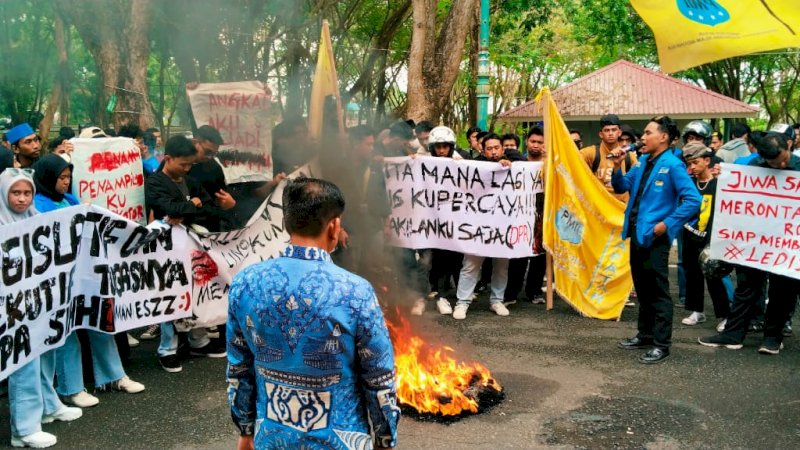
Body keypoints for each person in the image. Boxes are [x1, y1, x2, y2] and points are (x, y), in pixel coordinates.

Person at [227, 177, 399, 450]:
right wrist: (385, 438)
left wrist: (246, 429)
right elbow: (379, 377)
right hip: (341, 441)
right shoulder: (354, 291)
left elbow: (239, 367)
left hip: (270, 437)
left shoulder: (245, 282)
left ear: (286, 223)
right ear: (334, 226)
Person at [31, 154, 146, 407]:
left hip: (84, 275)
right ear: (48, 178)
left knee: (98, 322)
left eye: (68, 177)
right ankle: (71, 387)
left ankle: (114, 375)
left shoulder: (69, 199)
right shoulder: (37, 204)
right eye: (60, 178)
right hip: (60, 280)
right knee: (67, 331)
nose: (65, 182)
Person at [1, 168, 82, 448]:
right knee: (23, 362)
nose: (22, 199)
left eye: (27, 193)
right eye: (15, 193)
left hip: (40, 301)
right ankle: (23, 428)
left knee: (47, 350)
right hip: (12, 309)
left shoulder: (36, 218)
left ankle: (49, 406)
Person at [698, 132, 800, 354]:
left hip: (788, 244)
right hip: (755, 242)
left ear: (789, 145)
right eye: (775, 164)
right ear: (763, 158)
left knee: (783, 292)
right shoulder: (752, 167)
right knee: (747, 287)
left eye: (784, 159)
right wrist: (724, 177)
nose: (781, 166)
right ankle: (733, 335)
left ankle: (773, 338)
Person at [612, 115, 701, 364]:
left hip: (655, 238)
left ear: (663, 137)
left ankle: (662, 344)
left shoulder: (673, 165)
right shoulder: (641, 161)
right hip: (636, 234)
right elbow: (621, 187)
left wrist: (667, 224)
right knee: (642, 288)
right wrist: (618, 165)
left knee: (658, 291)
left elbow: (693, 200)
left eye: (648, 133)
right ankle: (646, 334)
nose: (643, 137)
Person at [146, 136, 227, 372]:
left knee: (199, 291)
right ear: (168, 158)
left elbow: (211, 207)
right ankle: (167, 349)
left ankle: (198, 340)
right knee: (171, 294)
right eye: (183, 164)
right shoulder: (154, 182)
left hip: (194, 247)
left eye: (190, 164)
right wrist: (194, 204)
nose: (187, 169)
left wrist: (189, 207)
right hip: (167, 248)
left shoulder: (190, 180)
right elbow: (169, 209)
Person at [452, 133, 516, 320]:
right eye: (490, 148)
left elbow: (524, 164)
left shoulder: (512, 163)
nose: (494, 152)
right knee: (471, 265)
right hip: (477, 226)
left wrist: (508, 162)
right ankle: (462, 303)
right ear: (483, 150)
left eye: (497, 148)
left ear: (503, 149)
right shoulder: (474, 165)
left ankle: (497, 300)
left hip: (502, 226)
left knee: (501, 266)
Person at [678, 143, 730, 330]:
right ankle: (696, 311)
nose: (691, 167)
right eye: (688, 163)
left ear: (707, 161)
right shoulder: (688, 183)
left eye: (695, 162)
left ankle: (724, 315)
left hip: (712, 237)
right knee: (692, 274)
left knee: (713, 275)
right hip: (690, 235)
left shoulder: (719, 183)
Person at [423, 126, 465, 315]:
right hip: (434, 221)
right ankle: (440, 294)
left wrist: (461, 166)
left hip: (456, 222)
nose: (441, 151)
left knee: (457, 259)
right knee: (437, 259)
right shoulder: (423, 163)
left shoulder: (462, 162)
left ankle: (459, 294)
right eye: (438, 147)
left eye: (445, 147)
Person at [506, 127, 546, 305]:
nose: (536, 145)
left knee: (540, 254)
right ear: (527, 143)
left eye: (540, 142)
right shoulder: (516, 162)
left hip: (542, 214)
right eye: (533, 141)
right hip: (520, 214)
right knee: (518, 256)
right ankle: (511, 293)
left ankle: (534, 291)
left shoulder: (549, 164)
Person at [188, 125, 237, 231]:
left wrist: (229, 203)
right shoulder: (176, 162)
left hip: (208, 226)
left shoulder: (214, 168)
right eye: (207, 152)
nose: (209, 157)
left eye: (213, 154)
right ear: (194, 142)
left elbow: (221, 198)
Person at [580, 114, 638, 202]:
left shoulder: (629, 156)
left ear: (619, 132)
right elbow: (571, 159)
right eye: (606, 130)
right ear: (601, 134)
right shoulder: (590, 153)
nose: (610, 133)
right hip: (600, 208)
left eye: (614, 130)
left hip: (621, 209)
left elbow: (637, 183)